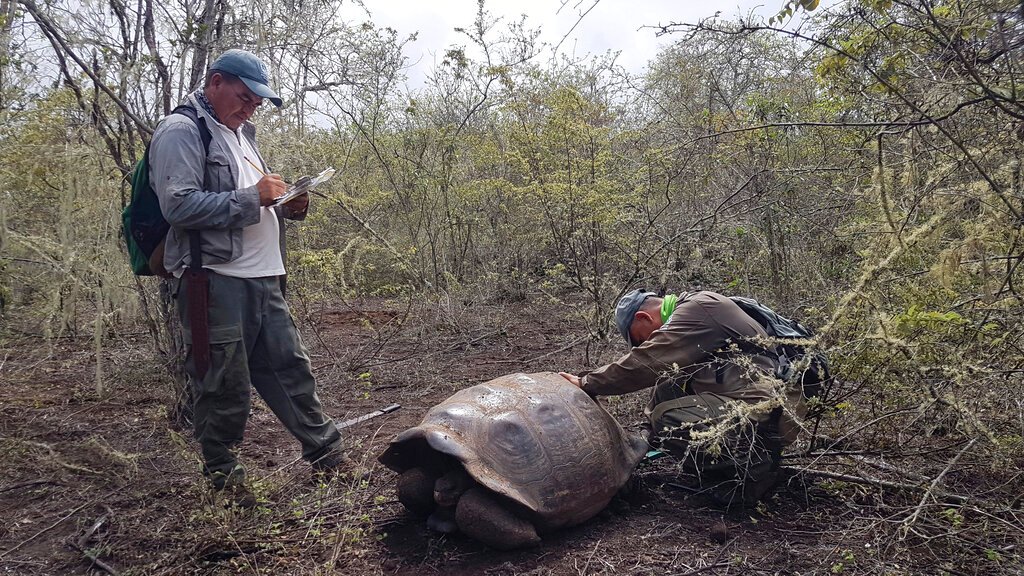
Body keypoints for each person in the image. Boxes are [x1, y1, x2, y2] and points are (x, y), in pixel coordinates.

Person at [150, 49, 345, 505]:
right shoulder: (181, 131)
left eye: (257, 102)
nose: (250, 107)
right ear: (215, 82)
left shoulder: (242, 134)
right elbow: (178, 206)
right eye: (244, 97)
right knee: (222, 380)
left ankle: (327, 455)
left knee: (290, 369)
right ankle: (224, 476)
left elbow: (254, 200)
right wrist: (252, 197)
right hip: (214, 279)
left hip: (264, 276)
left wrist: (290, 204)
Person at [559, 289, 805, 507]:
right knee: (670, 384)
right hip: (756, 402)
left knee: (667, 418)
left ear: (644, 318)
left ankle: (753, 471)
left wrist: (587, 383)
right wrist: (646, 437)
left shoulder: (699, 309)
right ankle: (740, 461)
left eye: (641, 340)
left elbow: (648, 362)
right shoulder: (697, 309)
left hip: (766, 412)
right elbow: (667, 379)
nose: (644, 345)